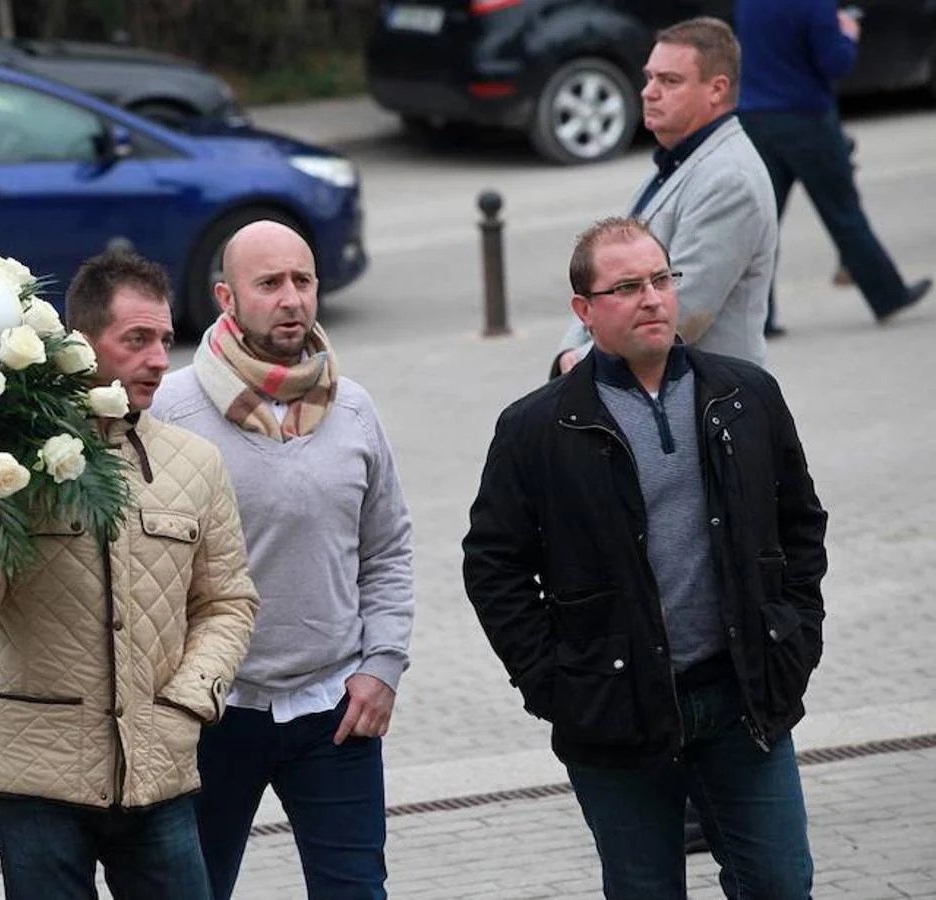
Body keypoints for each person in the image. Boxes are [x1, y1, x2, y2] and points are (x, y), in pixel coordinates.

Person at [464, 217, 828, 897]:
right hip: (613, 714)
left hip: (742, 696)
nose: (652, 298)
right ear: (584, 311)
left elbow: (800, 523)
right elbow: (493, 564)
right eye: (626, 287)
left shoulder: (744, 395)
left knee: (780, 883)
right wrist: (553, 684)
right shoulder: (536, 428)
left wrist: (793, 633)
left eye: (660, 279)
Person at [0, 249, 259, 900]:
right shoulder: (8, 456)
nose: (159, 358)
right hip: (36, 784)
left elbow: (227, 602)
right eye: (136, 340)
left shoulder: (197, 462)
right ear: (80, 343)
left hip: (157, 771)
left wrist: (189, 701)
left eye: (164, 339)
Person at [152, 220, 415, 900]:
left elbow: (386, 547)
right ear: (226, 297)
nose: (291, 298)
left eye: (302, 280)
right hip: (211, 713)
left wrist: (381, 666)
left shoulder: (353, 410)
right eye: (268, 284)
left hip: (334, 708)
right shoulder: (172, 412)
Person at [555, 17, 776, 374]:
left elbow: (680, 312)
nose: (649, 92)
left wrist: (578, 366)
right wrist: (568, 351)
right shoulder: (678, 160)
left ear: (717, 90)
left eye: (669, 81)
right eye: (649, 77)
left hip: (708, 403)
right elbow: (604, 279)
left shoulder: (729, 180)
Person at [736, 0, 931, 332]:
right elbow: (835, 62)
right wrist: (848, 34)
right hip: (806, 119)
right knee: (844, 213)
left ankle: (758, 318)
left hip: (754, 119)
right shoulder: (814, 5)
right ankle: (888, 295)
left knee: (762, 223)